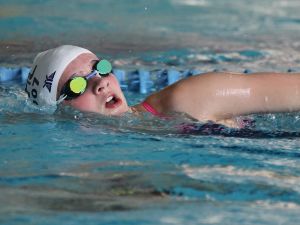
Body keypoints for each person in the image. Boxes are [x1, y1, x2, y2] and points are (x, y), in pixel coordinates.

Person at [25, 45, 300, 128]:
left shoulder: (189, 98)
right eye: (76, 85)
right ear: (57, 110)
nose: (101, 83)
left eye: (101, 67)